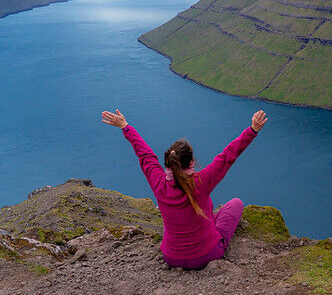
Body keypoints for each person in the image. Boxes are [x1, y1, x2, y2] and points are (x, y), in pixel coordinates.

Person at [100, 108, 268, 270]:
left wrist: (125, 126)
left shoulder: (159, 183)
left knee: (204, 215)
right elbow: (227, 156)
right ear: (191, 163)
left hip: (171, 257)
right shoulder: (201, 182)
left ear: (167, 164)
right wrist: (253, 129)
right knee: (236, 204)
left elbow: (145, 155)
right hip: (207, 255)